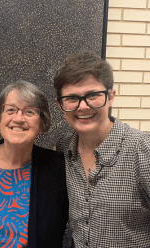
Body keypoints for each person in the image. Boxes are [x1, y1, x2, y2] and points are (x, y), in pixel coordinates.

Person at [54, 51, 150, 247]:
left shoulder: (142, 150)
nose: (83, 107)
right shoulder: (64, 150)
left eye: (93, 95)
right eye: (72, 98)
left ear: (111, 96)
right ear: (60, 105)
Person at [0, 80, 68, 248]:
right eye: (10, 110)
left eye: (30, 111)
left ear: (42, 125)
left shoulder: (56, 169)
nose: (18, 118)